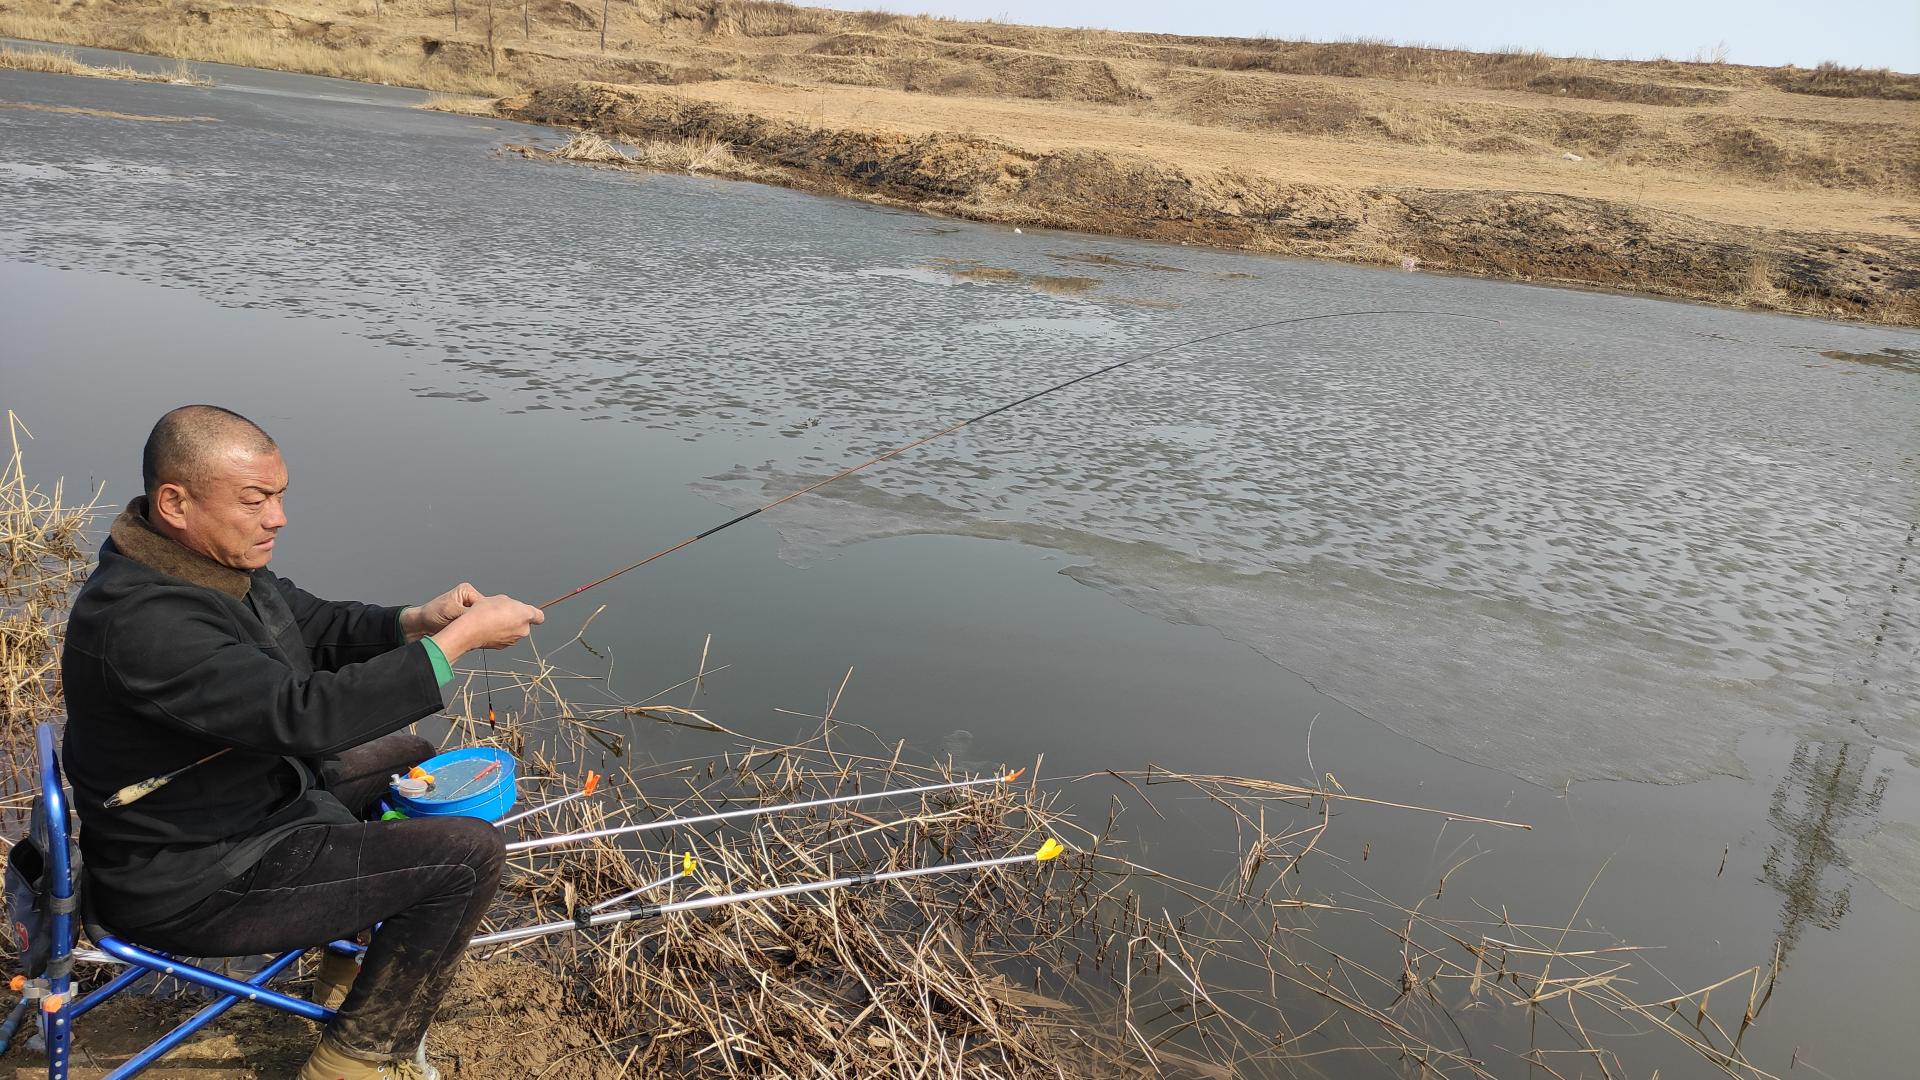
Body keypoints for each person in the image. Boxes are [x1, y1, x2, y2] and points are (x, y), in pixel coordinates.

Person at [61, 405, 544, 1080]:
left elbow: (312, 627)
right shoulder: (144, 623)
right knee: (467, 857)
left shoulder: (206, 565)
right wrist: (454, 645)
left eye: (280, 496)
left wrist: (418, 622)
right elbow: (302, 717)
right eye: (255, 500)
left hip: (236, 809)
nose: (277, 518)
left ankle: (345, 969)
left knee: (409, 758)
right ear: (175, 502)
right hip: (193, 878)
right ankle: (357, 1060)